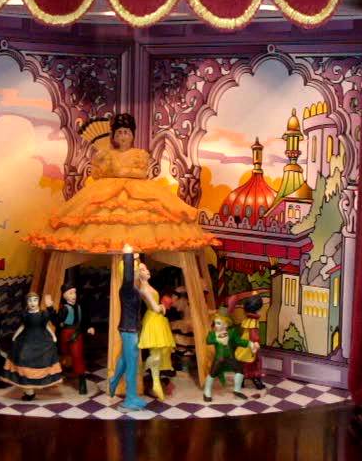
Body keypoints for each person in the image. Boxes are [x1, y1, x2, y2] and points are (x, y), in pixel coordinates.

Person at [25, 113, 218, 254]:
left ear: (132, 135)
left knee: (144, 221)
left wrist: (125, 172)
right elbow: (98, 174)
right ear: (114, 136)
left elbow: (142, 172)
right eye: (119, 133)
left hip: (138, 191)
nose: (123, 136)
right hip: (107, 190)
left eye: (126, 132)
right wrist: (102, 161)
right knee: (100, 220)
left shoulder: (139, 154)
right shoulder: (108, 153)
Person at [108, 244, 149, 411]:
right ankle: (130, 398)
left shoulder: (133, 289)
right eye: (135, 269)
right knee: (132, 364)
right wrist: (128, 255)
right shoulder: (126, 288)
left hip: (131, 328)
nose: (137, 271)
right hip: (128, 330)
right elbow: (127, 276)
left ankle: (113, 380)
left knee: (126, 358)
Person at [0, 292, 62, 401]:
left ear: (38, 301)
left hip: (41, 340)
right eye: (30, 300)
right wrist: (15, 335)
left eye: (35, 300)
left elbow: (46, 326)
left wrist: (53, 335)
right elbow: (23, 326)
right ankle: (29, 391)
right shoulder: (25, 314)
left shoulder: (43, 314)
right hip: (27, 339)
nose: (32, 302)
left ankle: (37, 385)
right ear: (27, 302)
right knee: (23, 359)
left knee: (42, 361)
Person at [137, 263, 176, 401]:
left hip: (158, 320)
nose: (146, 271)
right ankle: (149, 378)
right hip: (153, 319)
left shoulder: (148, 286)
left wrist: (162, 307)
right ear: (138, 274)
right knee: (156, 354)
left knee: (159, 353)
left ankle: (154, 381)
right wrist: (162, 307)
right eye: (142, 269)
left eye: (146, 268)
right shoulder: (143, 289)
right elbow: (155, 307)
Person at [203, 312, 259, 402]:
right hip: (219, 358)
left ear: (225, 325)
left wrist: (250, 343)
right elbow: (208, 340)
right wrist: (217, 339)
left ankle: (237, 391)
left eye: (219, 323)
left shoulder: (231, 333)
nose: (216, 325)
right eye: (215, 323)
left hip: (230, 358)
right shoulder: (213, 334)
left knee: (239, 370)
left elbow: (239, 341)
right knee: (212, 373)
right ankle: (207, 391)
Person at [53, 282, 95, 395]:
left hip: (77, 335)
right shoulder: (64, 309)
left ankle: (82, 381)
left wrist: (88, 327)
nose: (74, 295)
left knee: (77, 356)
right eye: (70, 293)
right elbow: (56, 321)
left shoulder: (80, 307)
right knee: (65, 355)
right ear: (64, 295)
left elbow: (84, 320)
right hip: (65, 334)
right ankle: (60, 375)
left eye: (74, 293)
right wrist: (50, 309)